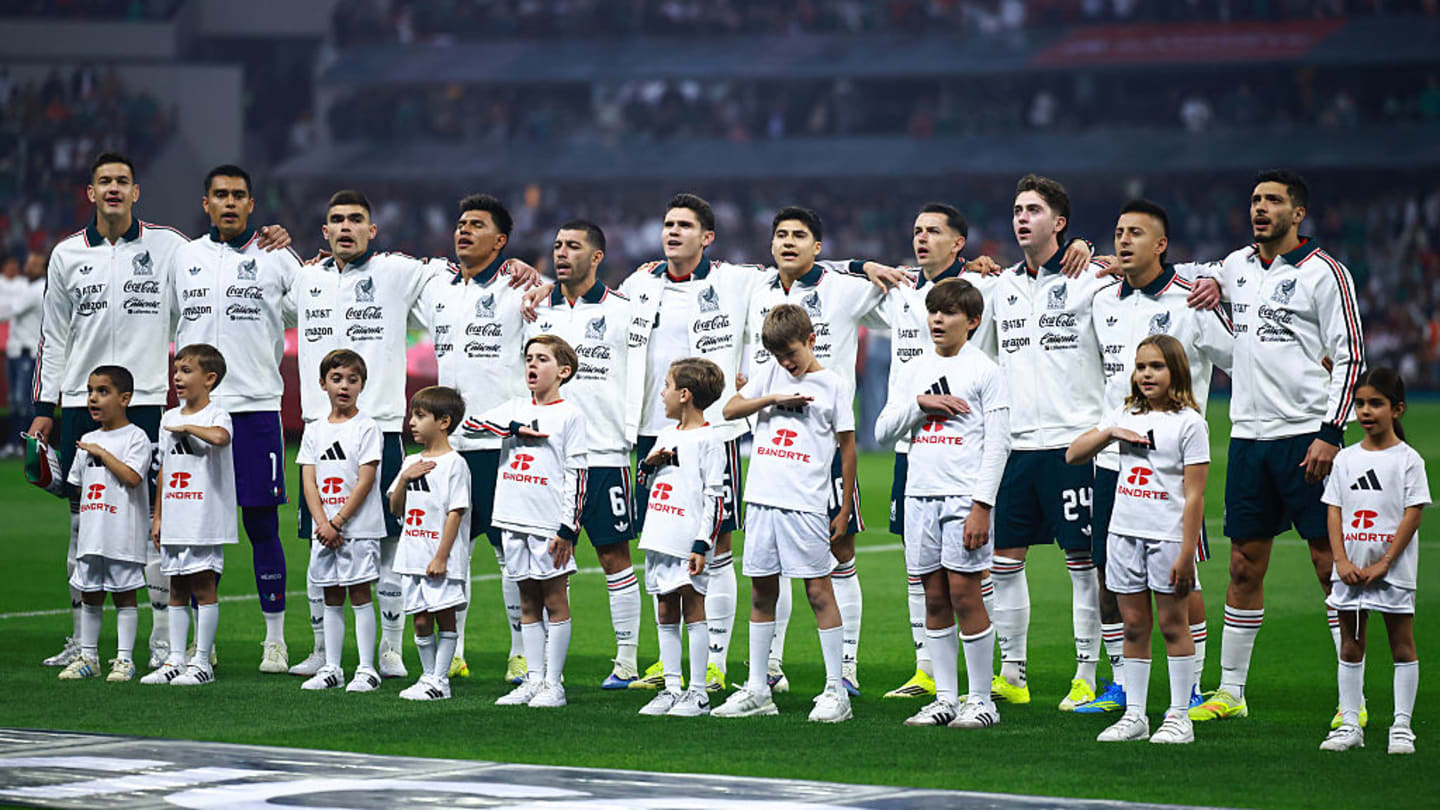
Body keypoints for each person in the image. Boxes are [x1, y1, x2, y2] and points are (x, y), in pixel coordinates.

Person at [34, 152, 288, 671]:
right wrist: (45, 405)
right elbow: (52, 336)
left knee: (159, 526)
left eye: (122, 181)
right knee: (84, 524)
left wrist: (275, 239)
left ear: (136, 191)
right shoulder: (65, 255)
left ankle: (161, 643)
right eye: (104, 181)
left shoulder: (171, 247)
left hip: (151, 400)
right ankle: (81, 638)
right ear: (90, 192)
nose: (113, 189)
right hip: (84, 401)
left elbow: (205, 304)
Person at [1191, 170, 1366, 724]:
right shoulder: (1237, 266)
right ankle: (1232, 692)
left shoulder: (1325, 273)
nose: (1261, 208)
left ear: (1299, 214)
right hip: (1247, 437)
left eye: (1273, 201)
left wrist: (1331, 433)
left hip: (1306, 436)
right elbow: (1175, 274)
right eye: (1255, 200)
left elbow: (1352, 357)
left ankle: (1351, 702)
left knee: (1326, 565)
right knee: (1243, 564)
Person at [1078, 200, 1233, 715]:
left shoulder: (1195, 298)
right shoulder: (1102, 298)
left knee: (1180, 580)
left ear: (1161, 245)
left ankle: (1189, 688)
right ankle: (1124, 685)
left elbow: (1238, 355)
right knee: (1110, 576)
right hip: (1113, 462)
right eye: (1119, 232)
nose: (1123, 241)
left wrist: (1223, 289)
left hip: (1171, 460)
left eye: (1136, 233)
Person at [974, 174, 1115, 711]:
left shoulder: (1093, 281)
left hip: (1073, 444)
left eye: (1032, 209)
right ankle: (1013, 672)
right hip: (1013, 447)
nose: (1020, 218)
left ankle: (1086, 673)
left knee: (1083, 563)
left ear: (1059, 223)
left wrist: (1096, 253)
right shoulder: (997, 287)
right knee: (1004, 563)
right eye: (1015, 210)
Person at [288, 189, 441, 681]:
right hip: (318, 430)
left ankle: (390, 652)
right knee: (319, 540)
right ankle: (322, 651)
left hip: (377, 431)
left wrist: (518, 272)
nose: (347, 227)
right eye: (337, 220)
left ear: (372, 231)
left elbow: (454, 269)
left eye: (357, 219)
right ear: (325, 232)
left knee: (390, 547)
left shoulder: (396, 271)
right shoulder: (305, 278)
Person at [740, 206, 885, 697]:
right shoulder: (755, 289)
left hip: (824, 446)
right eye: (780, 234)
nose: (788, 242)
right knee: (768, 567)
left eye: (800, 235)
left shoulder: (844, 286)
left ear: (819, 247)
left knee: (839, 556)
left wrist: (860, 264)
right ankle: (770, 668)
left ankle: (846, 667)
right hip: (774, 455)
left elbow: (904, 291)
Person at [167, 164, 300, 673]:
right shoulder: (185, 258)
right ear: (206, 204)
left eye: (238, 195)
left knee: (261, 524)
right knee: (194, 529)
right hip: (194, 413)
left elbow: (307, 309)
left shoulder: (276, 257)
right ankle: (204, 642)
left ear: (251, 204)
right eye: (219, 195)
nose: (228, 203)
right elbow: (170, 322)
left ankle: (274, 640)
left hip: (256, 407)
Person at [874, 279, 1011, 730]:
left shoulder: (985, 370)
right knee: (933, 596)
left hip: (961, 496)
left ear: (972, 322)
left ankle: (981, 701)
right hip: (919, 495)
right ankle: (945, 700)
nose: (937, 319)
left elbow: (998, 444)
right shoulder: (914, 368)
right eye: (933, 311)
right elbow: (882, 430)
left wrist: (982, 506)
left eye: (949, 312)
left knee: (966, 593)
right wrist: (920, 404)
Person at [714, 304, 857, 723]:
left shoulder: (832, 385)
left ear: (811, 341)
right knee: (761, 594)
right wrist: (774, 396)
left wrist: (844, 507)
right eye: (778, 356)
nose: (787, 363)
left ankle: (836, 690)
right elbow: (729, 410)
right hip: (761, 499)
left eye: (791, 353)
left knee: (818, 592)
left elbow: (847, 449)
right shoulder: (773, 375)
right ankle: (759, 688)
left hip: (806, 503)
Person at [1067, 335, 1210, 745]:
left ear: (1176, 371)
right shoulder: (1125, 413)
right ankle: (1135, 716)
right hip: (1122, 535)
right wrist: (1112, 432)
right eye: (1141, 366)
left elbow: (1195, 493)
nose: (1146, 374)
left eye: (1157, 367)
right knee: (1132, 625)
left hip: (1165, 538)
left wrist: (1187, 552)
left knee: (1171, 625)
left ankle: (1180, 716)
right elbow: (1074, 455)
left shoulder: (1190, 424)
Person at [524, 221, 645, 689]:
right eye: (556, 245)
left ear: (596, 257)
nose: (561, 253)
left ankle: (628, 660)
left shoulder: (624, 312)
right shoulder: (535, 310)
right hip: (548, 456)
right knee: (546, 562)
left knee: (614, 555)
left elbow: (639, 373)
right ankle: (539, 667)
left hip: (604, 451)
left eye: (573, 246)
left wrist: (629, 432)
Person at [418, 194, 531, 684]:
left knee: (511, 552)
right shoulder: (438, 289)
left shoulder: (522, 292)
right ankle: (455, 652)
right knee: (451, 549)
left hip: (499, 447)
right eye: (460, 223)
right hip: (448, 449)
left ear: (500, 240)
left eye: (476, 225)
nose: (463, 230)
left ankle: (520, 653)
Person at [1319, 368, 1427, 754]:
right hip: (1349, 571)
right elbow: (1333, 511)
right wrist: (1341, 560)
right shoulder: (1346, 458)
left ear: (1397, 409)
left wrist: (1386, 562)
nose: (1366, 411)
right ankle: (1350, 723)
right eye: (1360, 403)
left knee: (1402, 645)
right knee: (1350, 645)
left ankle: (1401, 726)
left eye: (1376, 403)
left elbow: (1412, 514)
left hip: (1392, 571)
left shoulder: (1408, 460)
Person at [478, 335, 589, 709]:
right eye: (528, 358)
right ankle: (534, 679)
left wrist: (567, 528)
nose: (532, 365)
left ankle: (554, 684)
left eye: (542, 359)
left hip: (547, 524)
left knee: (555, 600)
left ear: (563, 371)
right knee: (527, 601)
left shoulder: (570, 415)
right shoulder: (513, 408)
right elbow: (472, 425)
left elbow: (578, 474)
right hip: (511, 519)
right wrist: (512, 429)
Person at [634, 358, 727, 718]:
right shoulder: (666, 435)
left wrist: (702, 542)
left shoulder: (710, 440)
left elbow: (714, 497)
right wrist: (649, 465)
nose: (662, 393)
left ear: (684, 395)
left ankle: (698, 692)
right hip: (659, 535)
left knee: (693, 608)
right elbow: (650, 483)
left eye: (667, 385)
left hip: (686, 540)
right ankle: (672, 687)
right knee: (664, 607)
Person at [295, 349, 387, 693]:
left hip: (357, 528)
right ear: (323, 384)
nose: (344, 386)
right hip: (325, 531)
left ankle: (366, 668)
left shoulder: (367, 427)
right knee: (330, 594)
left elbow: (365, 480)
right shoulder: (315, 430)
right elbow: (309, 479)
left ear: (362, 385)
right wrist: (322, 523)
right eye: (336, 379)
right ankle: (332, 666)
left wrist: (339, 520)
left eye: (352, 380)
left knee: (360, 592)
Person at [144, 344, 236, 688]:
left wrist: (188, 428)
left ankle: (201, 662)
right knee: (177, 587)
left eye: (186, 371)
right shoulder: (169, 417)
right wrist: (157, 516)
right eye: (176, 370)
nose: (177, 377)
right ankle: (176, 659)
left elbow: (220, 438)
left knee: (203, 585)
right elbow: (165, 469)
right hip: (176, 516)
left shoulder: (216, 415)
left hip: (205, 516)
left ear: (209, 379)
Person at [55, 365, 151, 682]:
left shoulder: (136, 438)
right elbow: (80, 486)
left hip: (122, 533)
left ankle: (124, 660)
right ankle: (89, 657)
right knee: (90, 595)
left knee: (124, 596)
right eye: (90, 391)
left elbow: (133, 478)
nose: (93, 398)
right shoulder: (87, 439)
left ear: (125, 398)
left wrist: (100, 452)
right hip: (92, 534)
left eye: (103, 391)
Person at [386, 386, 472, 702]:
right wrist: (405, 479)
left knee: (444, 616)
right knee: (420, 618)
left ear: (444, 421)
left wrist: (441, 556)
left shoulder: (455, 464)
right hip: (412, 554)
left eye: (420, 416)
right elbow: (396, 509)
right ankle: (428, 676)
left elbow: (456, 513)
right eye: (412, 415)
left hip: (440, 557)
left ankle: (440, 681)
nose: (412, 422)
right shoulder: (411, 461)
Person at [1, 252, 44, 459]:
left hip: (28, 352)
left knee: (23, 401)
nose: (28, 266)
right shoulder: (26, 287)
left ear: (43, 269)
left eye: (34, 264)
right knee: (16, 400)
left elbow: (5, 312)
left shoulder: (36, 289)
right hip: (17, 351)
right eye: (28, 262)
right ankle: (15, 444)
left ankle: (21, 444)